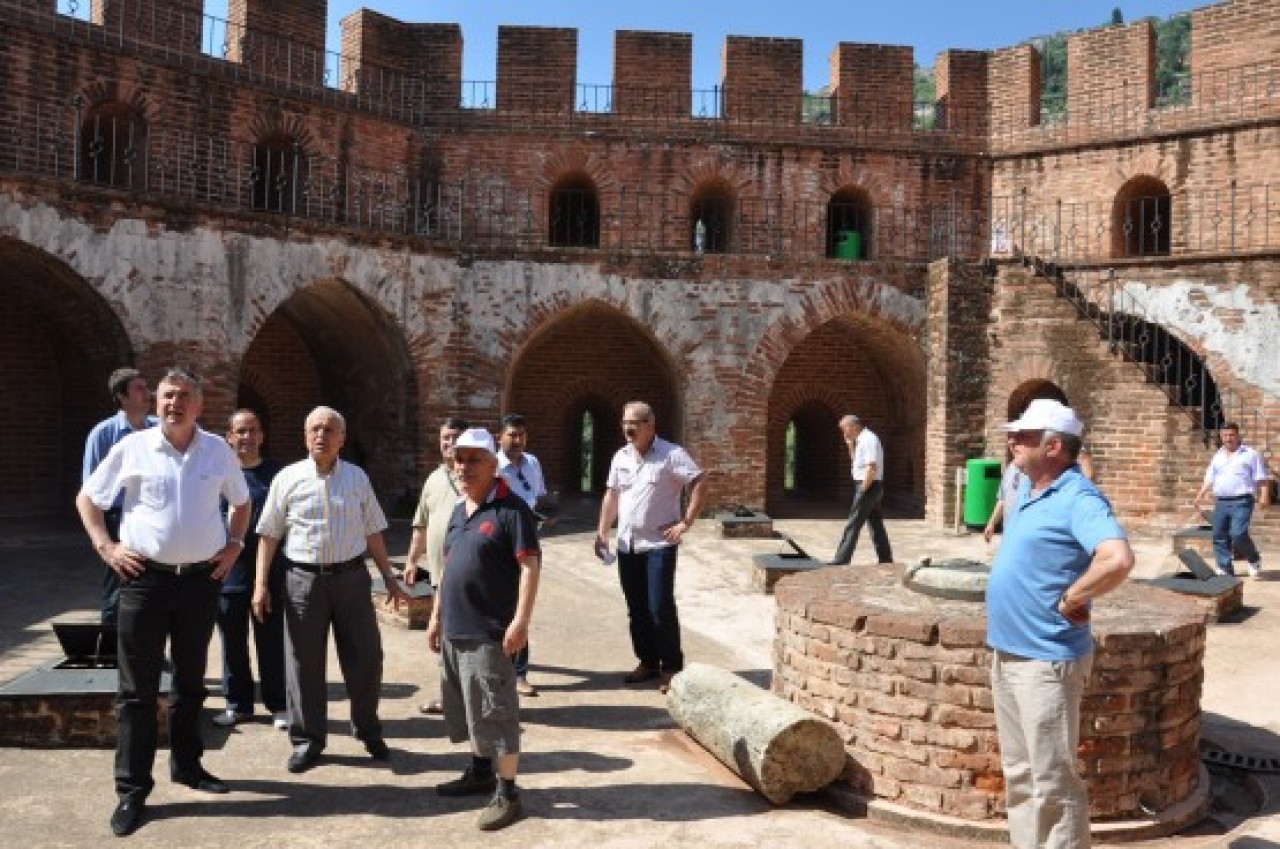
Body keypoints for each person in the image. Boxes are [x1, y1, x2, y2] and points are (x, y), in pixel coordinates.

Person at [76, 368, 251, 837]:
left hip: (199, 583)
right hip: (143, 582)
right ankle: (132, 791)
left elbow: (241, 501)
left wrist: (235, 543)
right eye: (168, 396)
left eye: (184, 397)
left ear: (199, 405)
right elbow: (89, 499)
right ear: (156, 404)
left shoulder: (217, 449)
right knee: (137, 692)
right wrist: (106, 547)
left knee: (191, 683)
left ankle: (188, 766)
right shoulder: (132, 448)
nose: (175, 403)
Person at [987, 399, 1134, 849]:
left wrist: (1074, 596)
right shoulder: (1028, 489)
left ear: (1054, 446)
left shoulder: (1077, 496)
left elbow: (1117, 558)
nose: (1012, 440)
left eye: (1025, 436)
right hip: (1009, 652)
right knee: (1020, 774)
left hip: (1046, 661)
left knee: (1052, 781)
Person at [252, 407, 407, 774]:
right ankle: (308, 740)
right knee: (304, 663)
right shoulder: (287, 479)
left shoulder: (356, 479)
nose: (321, 435)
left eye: (330, 429)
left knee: (367, 657)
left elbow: (372, 530)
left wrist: (388, 577)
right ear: (306, 436)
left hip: (352, 579)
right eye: (315, 429)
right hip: (302, 581)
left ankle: (368, 730)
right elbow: (269, 534)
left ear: (342, 437)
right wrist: (260, 584)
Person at [426, 428, 541, 831]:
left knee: (496, 713)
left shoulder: (513, 510)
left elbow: (529, 567)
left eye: (474, 459)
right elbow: (447, 566)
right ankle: (480, 773)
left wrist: (521, 621)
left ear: (494, 465)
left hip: (489, 632)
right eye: (459, 459)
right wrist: (437, 615)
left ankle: (508, 792)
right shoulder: (461, 510)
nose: (464, 467)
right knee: (467, 710)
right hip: (456, 630)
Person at [594, 401, 708, 694]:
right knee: (637, 609)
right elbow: (612, 494)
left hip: (659, 544)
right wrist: (603, 531)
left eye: (634, 422)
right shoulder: (621, 456)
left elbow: (699, 482)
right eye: (624, 422)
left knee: (660, 607)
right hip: (627, 544)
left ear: (650, 425)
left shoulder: (671, 454)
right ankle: (647, 662)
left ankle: (671, 667)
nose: (627, 428)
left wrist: (686, 522)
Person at [211, 409, 288, 730]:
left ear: (261, 436)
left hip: (268, 572)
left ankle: (279, 704)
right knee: (232, 643)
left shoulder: (277, 475)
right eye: (240, 431)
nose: (246, 437)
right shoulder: (216, 474)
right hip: (227, 572)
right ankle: (237, 703)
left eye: (252, 430)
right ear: (229, 437)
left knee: (271, 641)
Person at [82, 367, 157, 623]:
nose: (149, 394)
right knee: (118, 590)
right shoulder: (103, 434)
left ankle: (152, 654)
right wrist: (105, 542)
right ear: (122, 397)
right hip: (116, 520)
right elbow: (90, 492)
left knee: (154, 589)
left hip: (151, 517)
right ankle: (113, 655)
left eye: (147, 387)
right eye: (140, 388)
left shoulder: (159, 430)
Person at [405, 416, 468, 714]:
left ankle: (474, 698)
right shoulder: (433, 479)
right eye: (445, 437)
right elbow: (421, 524)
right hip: (439, 577)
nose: (449, 443)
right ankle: (450, 697)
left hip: (471, 576)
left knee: (470, 638)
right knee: (444, 637)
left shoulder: (475, 477)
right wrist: (411, 560)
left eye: (455, 437)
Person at [496, 412, 546, 697]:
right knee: (499, 607)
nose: (518, 440)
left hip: (527, 543)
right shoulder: (492, 466)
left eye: (522, 435)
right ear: (500, 437)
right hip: (500, 545)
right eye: (512, 435)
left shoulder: (533, 463)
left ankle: (519, 673)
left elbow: (536, 496)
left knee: (521, 606)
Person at [1193, 422, 1271, 578]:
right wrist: (1201, 493)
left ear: (1237, 435)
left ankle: (1253, 558)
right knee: (1219, 535)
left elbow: (1261, 478)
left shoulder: (1250, 454)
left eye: (1231, 435)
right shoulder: (1218, 456)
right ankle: (1225, 568)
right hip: (1221, 501)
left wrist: (1264, 496)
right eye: (1225, 435)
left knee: (1238, 533)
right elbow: (1210, 476)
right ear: (1221, 436)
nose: (1228, 438)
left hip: (1242, 500)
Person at [829, 414, 894, 565]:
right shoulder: (860, 441)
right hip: (870, 485)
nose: (844, 433)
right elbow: (857, 463)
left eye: (844, 429)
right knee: (875, 524)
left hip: (868, 486)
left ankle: (841, 560)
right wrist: (850, 445)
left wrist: (863, 489)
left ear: (854, 426)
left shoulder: (868, 439)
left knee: (853, 523)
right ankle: (886, 558)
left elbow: (872, 467)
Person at [983, 458, 1024, 544]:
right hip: (1008, 532)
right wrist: (992, 523)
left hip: (1025, 534)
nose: (1013, 446)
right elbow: (1002, 499)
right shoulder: (1011, 468)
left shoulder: (1037, 473)